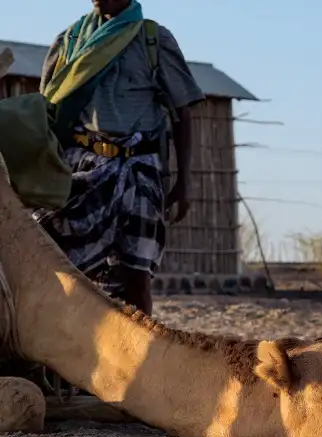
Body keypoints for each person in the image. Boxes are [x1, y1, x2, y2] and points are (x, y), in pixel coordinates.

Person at [35, 0, 205, 315]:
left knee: (136, 276)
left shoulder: (154, 39)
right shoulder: (70, 40)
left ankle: (141, 357)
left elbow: (183, 112)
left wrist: (184, 182)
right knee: (67, 271)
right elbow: (47, 110)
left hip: (139, 168)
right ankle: (69, 357)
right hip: (83, 167)